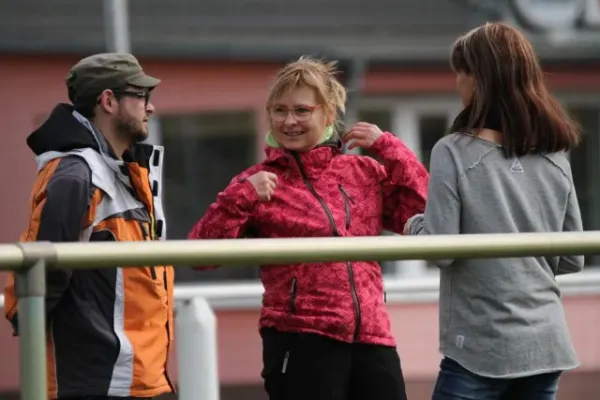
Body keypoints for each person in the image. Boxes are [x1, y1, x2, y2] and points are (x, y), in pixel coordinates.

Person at [188, 56, 429, 400]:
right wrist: (239, 197)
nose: (289, 121)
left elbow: (422, 212)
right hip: (300, 340)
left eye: (302, 111)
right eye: (279, 110)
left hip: (373, 336)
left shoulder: (363, 172)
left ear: (328, 114)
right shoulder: (256, 182)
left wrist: (390, 147)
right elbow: (201, 255)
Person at [403, 22, 584, 400]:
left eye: (461, 72)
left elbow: (441, 251)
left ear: (480, 79)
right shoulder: (555, 155)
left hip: (478, 348)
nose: (457, 82)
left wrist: (415, 223)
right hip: (546, 344)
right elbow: (572, 258)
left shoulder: (453, 150)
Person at [3, 53, 175, 400]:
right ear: (108, 101)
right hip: (98, 382)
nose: (150, 107)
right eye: (141, 96)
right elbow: (39, 282)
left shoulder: (123, 171)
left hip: (140, 377)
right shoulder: (76, 176)